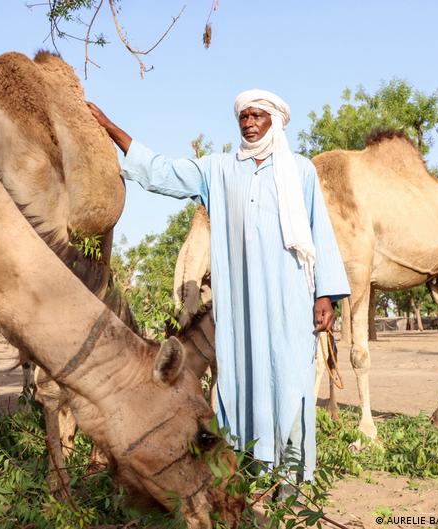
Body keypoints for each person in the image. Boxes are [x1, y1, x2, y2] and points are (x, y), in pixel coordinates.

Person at [88, 90, 350, 480]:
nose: (247, 122)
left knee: (292, 378)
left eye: (256, 115)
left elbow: (320, 234)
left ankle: (292, 475)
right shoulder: (219, 170)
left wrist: (324, 294)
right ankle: (254, 465)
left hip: (290, 297)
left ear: (274, 121)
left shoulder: (300, 171)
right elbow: (164, 172)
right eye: (242, 116)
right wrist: (110, 128)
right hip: (241, 303)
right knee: (245, 377)